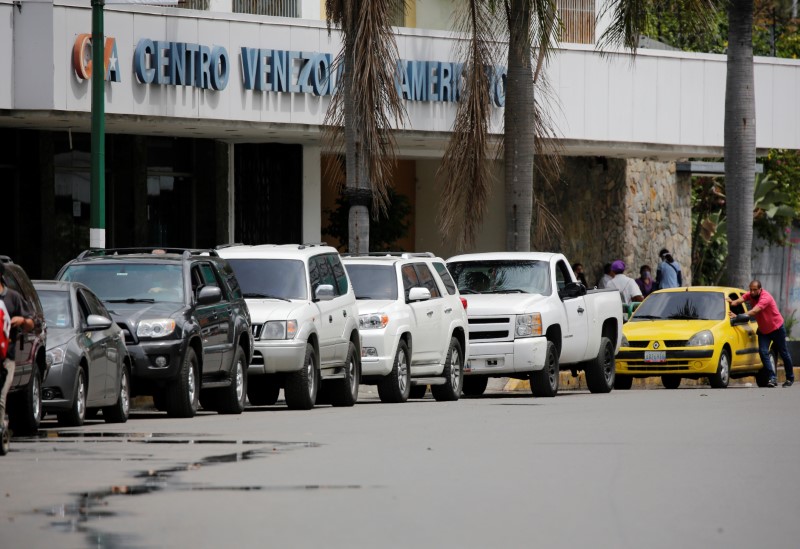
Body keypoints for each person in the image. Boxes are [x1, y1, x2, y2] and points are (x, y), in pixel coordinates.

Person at [727, 280, 794, 388]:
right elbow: (739, 300)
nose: (752, 292)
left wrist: (738, 316)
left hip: (777, 328)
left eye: (755, 290)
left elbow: (754, 311)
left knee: (784, 353)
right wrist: (729, 301)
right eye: (751, 290)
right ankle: (772, 378)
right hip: (763, 331)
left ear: (760, 289)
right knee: (763, 352)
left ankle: (790, 378)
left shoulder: (765, 298)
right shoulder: (750, 294)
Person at [0, 263, 35, 426]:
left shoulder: (12, 298)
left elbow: (31, 323)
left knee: (0, 397)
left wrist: (21, 320)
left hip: (7, 359)